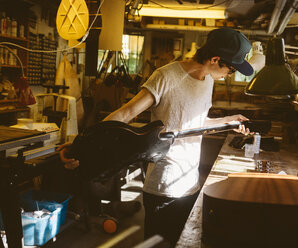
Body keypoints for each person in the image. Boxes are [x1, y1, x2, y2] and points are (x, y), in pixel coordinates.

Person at [58, 27, 254, 246]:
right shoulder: (166, 76)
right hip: (164, 187)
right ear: (215, 59)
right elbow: (127, 112)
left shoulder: (207, 81)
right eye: (231, 69)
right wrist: (81, 145)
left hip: (190, 183)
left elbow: (193, 123)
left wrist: (228, 122)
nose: (231, 74)